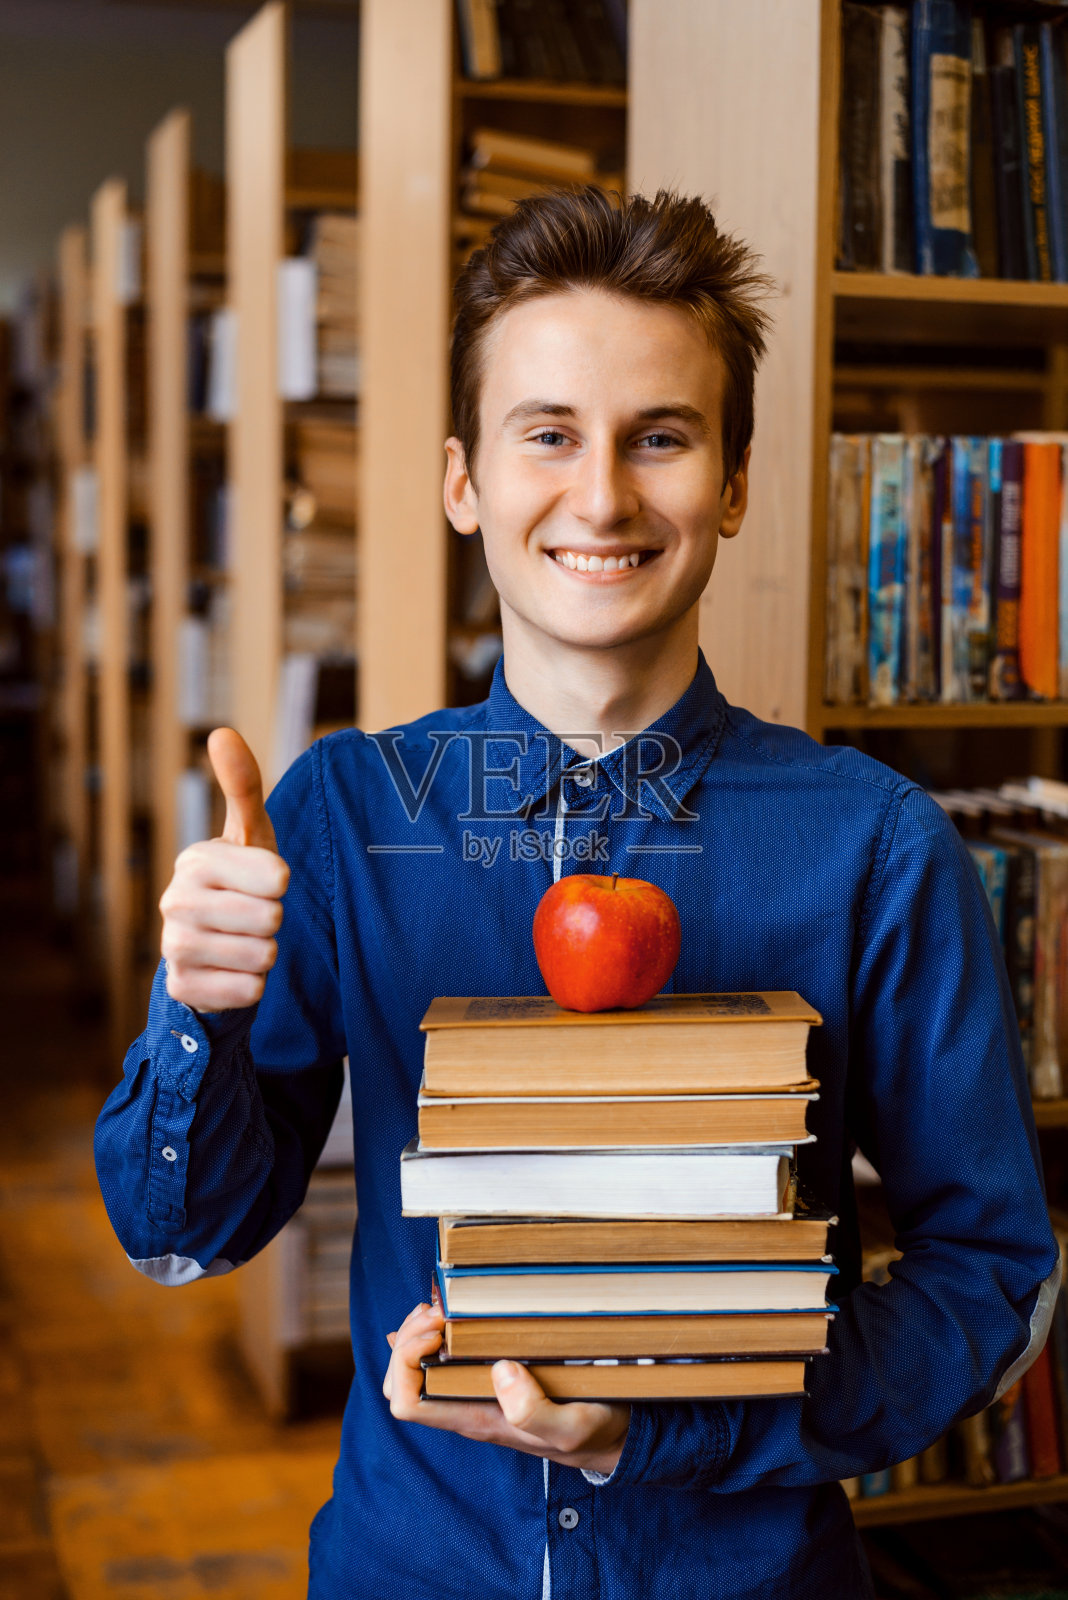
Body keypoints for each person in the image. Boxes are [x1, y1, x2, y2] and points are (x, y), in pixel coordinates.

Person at [95, 188, 1058, 1600]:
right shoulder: (345, 816)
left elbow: (995, 1276)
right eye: (547, 434)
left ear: (734, 481)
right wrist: (199, 1012)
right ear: (464, 482)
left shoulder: (879, 847)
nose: (601, 497)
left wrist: (680, 1432)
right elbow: (181, 1239)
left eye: (659, 437)